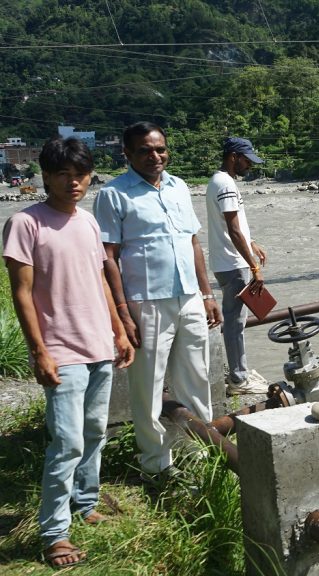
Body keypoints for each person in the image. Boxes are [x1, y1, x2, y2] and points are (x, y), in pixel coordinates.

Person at [3, 137, 134, 568]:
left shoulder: (88, 222)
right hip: (61, 351)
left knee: (95, 431)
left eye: (80, 174)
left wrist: (118, 331)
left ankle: (85, 500)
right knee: (67, 442)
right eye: (63, 174)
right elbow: (21, 294)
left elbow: (97, 280)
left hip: (98, 343)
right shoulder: (26, 223)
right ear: (46, 176)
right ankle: (54, 533)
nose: (73, 182)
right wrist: (38, 351)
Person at [93, 121, 222, 487]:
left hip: (190, 297)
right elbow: (108, 258)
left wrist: (208, 293)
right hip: (145, 302)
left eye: (160, 149)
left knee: (197, 377)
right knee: (147, 386)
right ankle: (155, 464)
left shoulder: (179, 186)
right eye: (145, 151)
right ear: (128, 154)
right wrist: (121, 315)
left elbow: (193, 243)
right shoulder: (114, 195)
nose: (155, 156)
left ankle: (198, 455)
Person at [206, 137, 268, 396]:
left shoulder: (218, 181)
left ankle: (238, 369)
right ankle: (239, 379)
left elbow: (232, 224)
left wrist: (251, 241)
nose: (249, 166)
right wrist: (254, 268)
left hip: (227, 261)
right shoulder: (226, 184)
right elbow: (232, 229)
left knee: (236, 320)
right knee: (235, 322)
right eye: (246, 161)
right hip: (234, 264)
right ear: (233, 156)